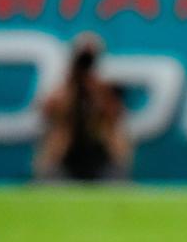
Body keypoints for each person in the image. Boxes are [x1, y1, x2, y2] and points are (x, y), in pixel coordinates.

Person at [33, 34, 131, 181]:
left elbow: (116, 117)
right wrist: (71, 90)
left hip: (99, 156)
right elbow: (44, 111)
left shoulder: (102, 89)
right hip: (64, 156)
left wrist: (97, 94)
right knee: (47, 173)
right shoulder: (63, 90)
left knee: (117, 173)